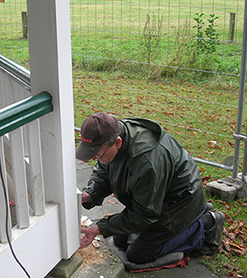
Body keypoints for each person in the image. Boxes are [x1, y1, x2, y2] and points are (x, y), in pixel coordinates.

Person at [76, 112, 225, 265]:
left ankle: (206, 223)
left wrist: (99, 228)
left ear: (118, 143)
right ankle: (195, 218)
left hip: (179, 202)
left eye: (98, 155)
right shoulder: (112, 135)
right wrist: (90, 194)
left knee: (138, 254)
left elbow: (145, 214)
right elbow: (103, 172)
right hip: (156, 198)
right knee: (120, 240)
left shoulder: (147, 162)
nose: (95, 159)